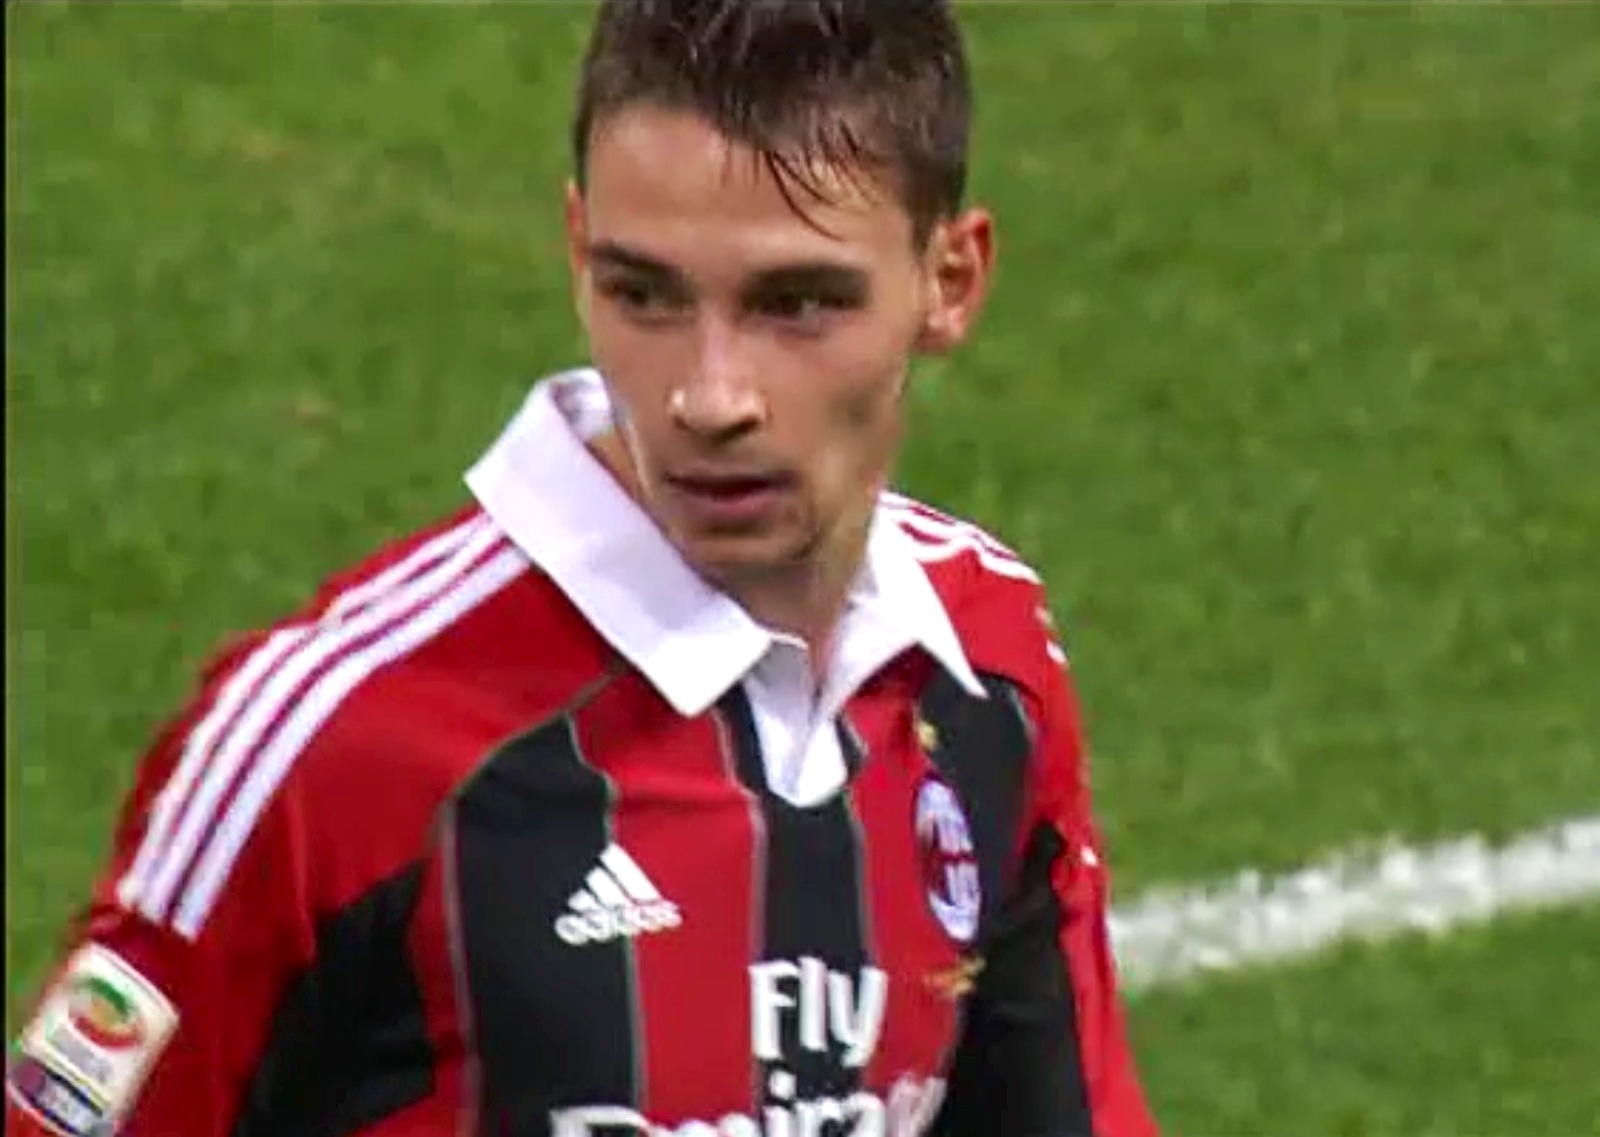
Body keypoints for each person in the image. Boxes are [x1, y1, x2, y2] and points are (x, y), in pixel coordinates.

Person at [6, 2, 1158, 1135]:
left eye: (796, 304)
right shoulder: (334, 744)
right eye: (643, 294)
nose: (709, 396)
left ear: (949, 282)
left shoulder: (981, 661)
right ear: (576, 254)